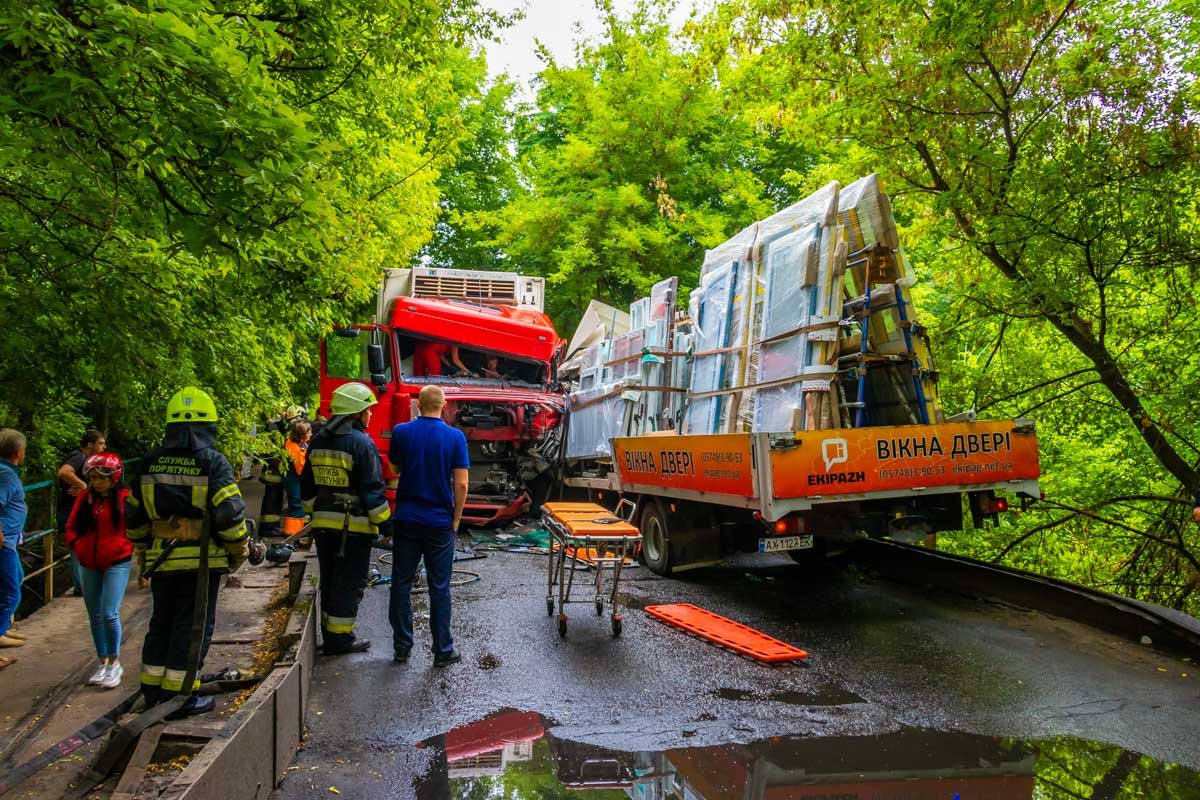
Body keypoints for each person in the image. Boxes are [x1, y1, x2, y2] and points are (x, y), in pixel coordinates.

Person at [126, 387, 249, 718]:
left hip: (162, 560)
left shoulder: (149, 462)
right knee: (191, 628)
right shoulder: (212, 462)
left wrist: (143, 553)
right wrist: (239, 550)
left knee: (161, 623)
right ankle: (181, 698)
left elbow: (134, 517)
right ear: (208, 426)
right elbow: (229, 516)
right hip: (201, 563)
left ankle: (153, 692)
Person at [300, 383, 392, 656]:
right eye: (368, 410)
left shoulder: (317, 440)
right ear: (356, 413)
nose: (371, 415)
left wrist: (315, 510)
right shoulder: (362, 444)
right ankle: (340, 640)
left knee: (329, 579)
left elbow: (307, 484)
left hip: (324, 526)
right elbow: (372, 490)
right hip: (353, 528)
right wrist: (387, 526)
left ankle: (331, 636)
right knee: (349, 582)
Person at [387, 384, 469, 667]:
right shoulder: (455, 437)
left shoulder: (401, 432)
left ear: (418, 405)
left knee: (401, 582)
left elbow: (395, 468)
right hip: (439, 522)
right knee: (439, 586)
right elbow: (461, 482)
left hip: (407, 517)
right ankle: (442, 650)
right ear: (444, 406)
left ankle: (401, 647)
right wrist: (456, 519)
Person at [66, 452, 132, 689]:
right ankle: (103, 661)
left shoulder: (125, 499)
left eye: (100, 477)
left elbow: (135, 529)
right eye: (92, 477)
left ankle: (115, 662)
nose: (96, 482)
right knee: (94, 615)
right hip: (88, 562)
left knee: (108, 613)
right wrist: (79, 546)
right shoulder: (85, 498)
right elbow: (71, 526)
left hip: (117, 561)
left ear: (113, 477)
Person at [57, 429, 106, 594]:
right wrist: (83, 486)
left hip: (78, 511)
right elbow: (64, 472)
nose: (103, 446)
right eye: (100, 443)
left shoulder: (88, 460)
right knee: (78, 548)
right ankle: (81, 587)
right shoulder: (79, 457)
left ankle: (84, 585)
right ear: (90, 444)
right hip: (71, 511)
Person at [0, 429, 28, 668]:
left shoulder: (7, 472)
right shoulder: (6, 475)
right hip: (3, 542)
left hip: (10, 540)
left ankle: (1, 631)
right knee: (11, 593)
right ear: (19, 452)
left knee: (16, 579)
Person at [282, 420, 311, 536]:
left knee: (297, 505)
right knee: (296, 505)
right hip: (294, 479)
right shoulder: (294, 447)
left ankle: (296, 533)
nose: (311, 434)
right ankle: (292, 534)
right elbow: (300, 468)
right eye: (309, 433)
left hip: (293, 479)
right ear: (302, 434)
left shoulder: (295, 443)